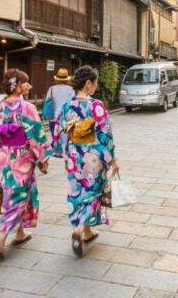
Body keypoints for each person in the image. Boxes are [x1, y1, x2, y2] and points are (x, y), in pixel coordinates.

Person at [0, 69, 52, 258]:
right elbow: (36, 134)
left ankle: (19, 233)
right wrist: (43, 157)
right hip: (22, 156)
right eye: (26, 83)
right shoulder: (26, 107)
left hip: (5, 155)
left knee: (14, 190)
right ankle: (1, 235)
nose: (29, 86)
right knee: (20, 193)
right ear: (18, 86)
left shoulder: (0, 106)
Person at [59, 65, 119, 257]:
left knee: (77, 192)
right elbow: (105, 135)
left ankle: (86, 231)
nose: (96, 87)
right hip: (93, 157)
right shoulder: (96, 106)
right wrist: (112, 159)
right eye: (95, 83)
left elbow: (62, 133)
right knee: (93, 193)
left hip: (74, 156)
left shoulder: (67, 106)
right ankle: (78, 229)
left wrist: (65, 154)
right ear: (88, 83)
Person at [44, 68, 75, 157]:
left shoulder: (51, 89)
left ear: (56, 79)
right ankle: (66, 152)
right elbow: (73, 103)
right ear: (67, 79)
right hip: (66, 116)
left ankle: (57, 151)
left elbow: (47, 101)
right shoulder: (71, 89)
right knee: (67, 137)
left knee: (55, 136)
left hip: (54, 116)